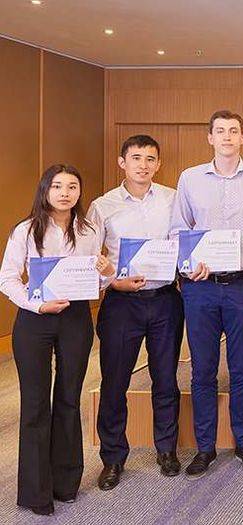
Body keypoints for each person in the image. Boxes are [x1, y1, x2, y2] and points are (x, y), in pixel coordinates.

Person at [1, 165, 114, 515]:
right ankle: (36, 493)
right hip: (35, 319)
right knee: (35, 405)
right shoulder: (25, 229)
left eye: (72, 186)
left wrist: (107, 274)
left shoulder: (89, 230)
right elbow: (7, 278)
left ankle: (66, 484)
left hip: (75, 318)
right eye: (57, 186)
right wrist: (37, 304)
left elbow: (94, 282)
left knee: (68, 399)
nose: (65, 193)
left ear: (79, 192)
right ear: (45, 190)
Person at [170, 110, 243, 480]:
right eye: (220, 131)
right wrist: (189, 264)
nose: (227, 136)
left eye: (234, 131)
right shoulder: (190, 178)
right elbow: (178, 229)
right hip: (200, 287)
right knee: (202, 370)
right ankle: (205, 447)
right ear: (210, 138)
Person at [89, 135, 184, 490]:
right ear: (122, 162)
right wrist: (112, 282)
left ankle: (166, 450)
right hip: (121, 304)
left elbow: (184, 243)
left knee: (166, 379)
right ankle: (113, 458)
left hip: (164, 300)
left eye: (150, 159)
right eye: (136, 158)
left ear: (159, 164)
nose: (143, 165)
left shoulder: (173, 199)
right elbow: (90, 256)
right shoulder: (103, 206)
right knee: (115, 383)